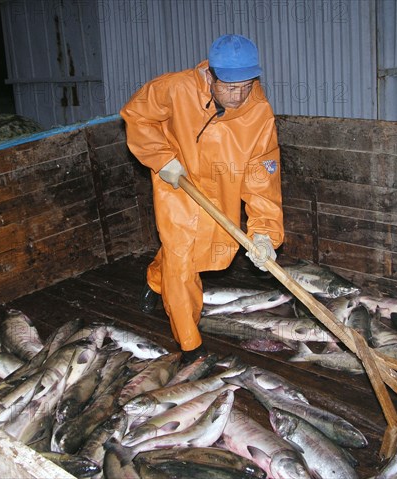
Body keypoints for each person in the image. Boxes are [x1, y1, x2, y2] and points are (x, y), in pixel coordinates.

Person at [120, 34, 284, 363]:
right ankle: (190, 345)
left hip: (220, 192)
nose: (238, 95)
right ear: (209, 74)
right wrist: (162, 157)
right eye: (229, 86)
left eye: (246, 85)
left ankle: (155, 281)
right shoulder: (175, 89)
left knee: (182, 252)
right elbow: (136, 115)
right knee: (181, 258)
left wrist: (264, 233)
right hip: (176, 183)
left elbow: (261, 178)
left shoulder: (259, 115)